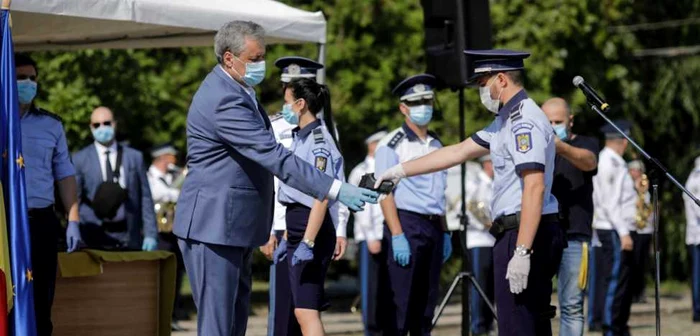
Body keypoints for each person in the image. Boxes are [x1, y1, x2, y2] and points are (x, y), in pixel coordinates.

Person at [172, 21, 377, 336]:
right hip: (213, 225)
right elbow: (273, 155)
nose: (260, 64)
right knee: (218, 326)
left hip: (230, 225)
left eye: (261, 56)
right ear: (229, 58)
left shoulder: (239, 89)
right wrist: (335, 188)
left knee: (233, 323)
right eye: (254, 58)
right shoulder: (224, 98)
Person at [375, 50, 565, 336]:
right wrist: (399, 170)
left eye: (482, 82)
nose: (480, 89)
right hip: (519, 230)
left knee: (518, 325)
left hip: (524, 232)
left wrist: (523, 250)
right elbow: (458, 152)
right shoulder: (505, 120)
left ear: (501, 79)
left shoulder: (523, 120)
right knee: (529, 322)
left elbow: (534, 185)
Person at [260, 56, 348, 336]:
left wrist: (307, 240)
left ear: (301, 104)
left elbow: (322, 194)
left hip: (311, 228)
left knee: (306, 311)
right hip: (296, 227)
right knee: (299, 310)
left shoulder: (319, 142)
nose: (284, 107)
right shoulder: (301, 136)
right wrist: (287, 235)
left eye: (288, 102)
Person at [374, 73, 451, 335]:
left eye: (427, 100)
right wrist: (397, 234)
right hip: (406, 224)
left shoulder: (437, 143)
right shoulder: (392, 144)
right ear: (403, 108)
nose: (424, 107)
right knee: (400, 304)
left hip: (434, 227)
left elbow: (441, 192)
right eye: (417, 102)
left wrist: (446, 231)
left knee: (426, 304)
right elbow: (384, 193)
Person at [16, 53, 83, 335]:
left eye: (32, 78)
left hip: (41, 221)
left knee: (42, 301)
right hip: (5, 222)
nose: (28, 83)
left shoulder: (51, 125)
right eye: (21, 78)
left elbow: (65, 174)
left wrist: (74, 218)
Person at [541, 97, 599, 336]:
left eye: (559, 121)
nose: (554, 125)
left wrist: (560, 146)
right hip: (541, 233)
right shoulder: (536, 147)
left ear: (570, 120)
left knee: (572, 306)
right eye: (548, 122)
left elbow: (589, 162)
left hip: (575, 236)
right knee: (537, 305)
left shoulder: (586, 143)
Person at [73, 106, 158, 251]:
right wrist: (74, 229)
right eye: (97, 125)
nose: (102, 128)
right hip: (93, 235)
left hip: (128, 234)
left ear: (114, 124)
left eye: (106, 123)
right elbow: (75, 199)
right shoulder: (79, 160)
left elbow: (145, 197)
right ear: (91, 128)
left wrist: (151, 234)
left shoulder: (134, 157)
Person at [590, 120, 637, 336]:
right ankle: (610, 326)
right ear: (623, 141)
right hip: (613, 228)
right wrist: (624, 232)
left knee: (622, 281)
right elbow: (610, 203)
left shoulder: (616, 162)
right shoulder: (610, 163)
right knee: (614, 280)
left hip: (618, 228)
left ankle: (617, 324)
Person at [449, 155, 496, 336]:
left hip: (494, 239)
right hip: (478, 239)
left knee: (491, 284)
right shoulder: (474, 183)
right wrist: (485, 224)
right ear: (486, 164)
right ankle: (478, 325)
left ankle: (488, 323)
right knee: (479, 284)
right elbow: (467, 207)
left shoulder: (495, 183)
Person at [348, 128, 388, 336]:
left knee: (387, 287)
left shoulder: (389, 167)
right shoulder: (360, 170)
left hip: (388, 234)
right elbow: (359, 207)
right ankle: (371, 330)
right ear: (371, 145)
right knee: (370, 288)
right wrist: (371, 236)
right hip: (369, 237)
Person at [146, 143, 187, 331]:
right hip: (158, 233)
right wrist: (175, 193)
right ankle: (156, 315)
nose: (175, 160)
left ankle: (172, 314)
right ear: (163, 158)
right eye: (172, 157)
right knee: (158, 274)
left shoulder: (174, 176)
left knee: (176, 273)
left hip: (174, 231)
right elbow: (157, 194)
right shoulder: (150, 176)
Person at [628, 159, 653, 304]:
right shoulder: (628, 186)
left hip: (645, 230)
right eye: (632, 170)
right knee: (633, 262)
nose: (634, 172)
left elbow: (647, 204)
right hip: (634, 229)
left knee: (642, 263)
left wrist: (641, 190)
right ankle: (632, 293)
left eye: (636, 170)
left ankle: (640, 292)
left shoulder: (644, 186)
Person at [684, 156, 700, 323]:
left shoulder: (693, 176)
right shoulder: (697, 177)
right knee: (697, 276)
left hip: (696, 235)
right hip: (698, 236)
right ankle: (697, 311)